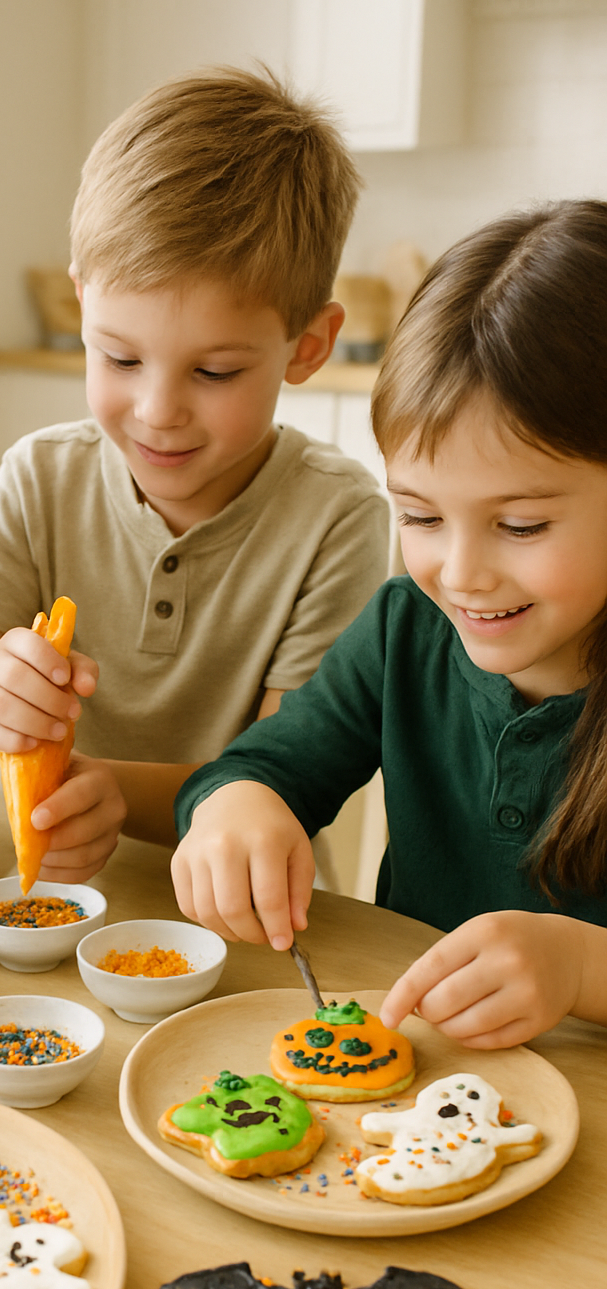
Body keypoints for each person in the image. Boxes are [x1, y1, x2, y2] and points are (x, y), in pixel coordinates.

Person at [0, 66, 389, 881]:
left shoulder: (336, 518)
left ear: (308, 345)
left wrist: (112, 791)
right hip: (41, 887)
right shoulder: (41, 479)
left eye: (216, 373)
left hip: (240, 904)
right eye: (120, 356)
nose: (157, 410)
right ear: (82, 303)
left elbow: (288, 773)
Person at [172, 199, 607, 1050]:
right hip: (420, 1095)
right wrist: (239, 806)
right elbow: (259, 767)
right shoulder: (405, 629)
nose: (459, 571)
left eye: (520, 526)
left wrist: (584, 969)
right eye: (419, 515)